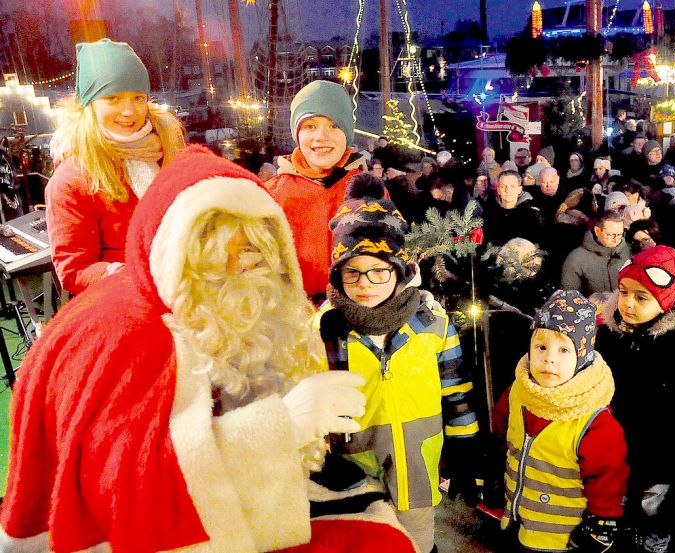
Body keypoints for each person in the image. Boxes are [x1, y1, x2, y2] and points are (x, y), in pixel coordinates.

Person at [0, 147, 416, 552]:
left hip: (256, 505)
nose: (244, 267)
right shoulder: (128, 335)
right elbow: (135, 489)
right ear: (180, 253)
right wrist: (283, 424)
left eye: (256, 249)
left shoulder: (242, 302)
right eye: (220, 254)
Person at [316, 176, 479, 553]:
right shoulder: (327, 329)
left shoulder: (432, 323)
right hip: (354, 463)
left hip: (419, 460)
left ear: (400, 271)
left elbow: (456, 390)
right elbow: (313, 400)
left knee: (419, 537)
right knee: (371, 539)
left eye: (378, 271)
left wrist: (465, 447)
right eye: (352, 272)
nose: (365, 284)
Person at [46, 38, 185, 296]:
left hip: (187, 298)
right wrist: (135, 277)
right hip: (132, 306)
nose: (129, 111)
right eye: (113, 98)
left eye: (138, 98)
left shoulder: (169, 152)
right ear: (89, 105)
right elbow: (75, 270)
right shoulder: (71, 179)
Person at [495, 290, 628, 553]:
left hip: (562, 536)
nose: (549, 358)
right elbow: (502, 432)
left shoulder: (594, 420)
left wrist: (602, 520)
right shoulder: (517, 394)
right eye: (541, 347)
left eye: (564, 349)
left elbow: (608, 476)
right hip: (517, 520)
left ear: (582, 357)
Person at [595, 246, 675, 552]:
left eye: (641, 297)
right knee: (617, 500)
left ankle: (654, 540)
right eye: (623, 292)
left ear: (666, 302)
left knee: (652, 506)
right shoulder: (609, 335)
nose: (628, 303)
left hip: (660, 453)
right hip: (614, 444)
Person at [265, 80, 365, 299]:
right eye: (310, 126)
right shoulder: (272, 195)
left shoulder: (367, 190)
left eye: (334, 125)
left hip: (355, 317)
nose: (321, 137)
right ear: (297, 133)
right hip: (295, 319)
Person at [561, 210, 632, 297]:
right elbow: (569, 297)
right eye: (610, 235)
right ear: (597, 231)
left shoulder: (631, 252)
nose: (615, 239)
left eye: (620, 235)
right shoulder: (576, 258)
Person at [482, 169, 544, 246]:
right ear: (498, 190)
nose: (507, 190)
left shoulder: (532, 216)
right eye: (503, 186)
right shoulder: (489, 214)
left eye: (512, 186)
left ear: (519, 190)